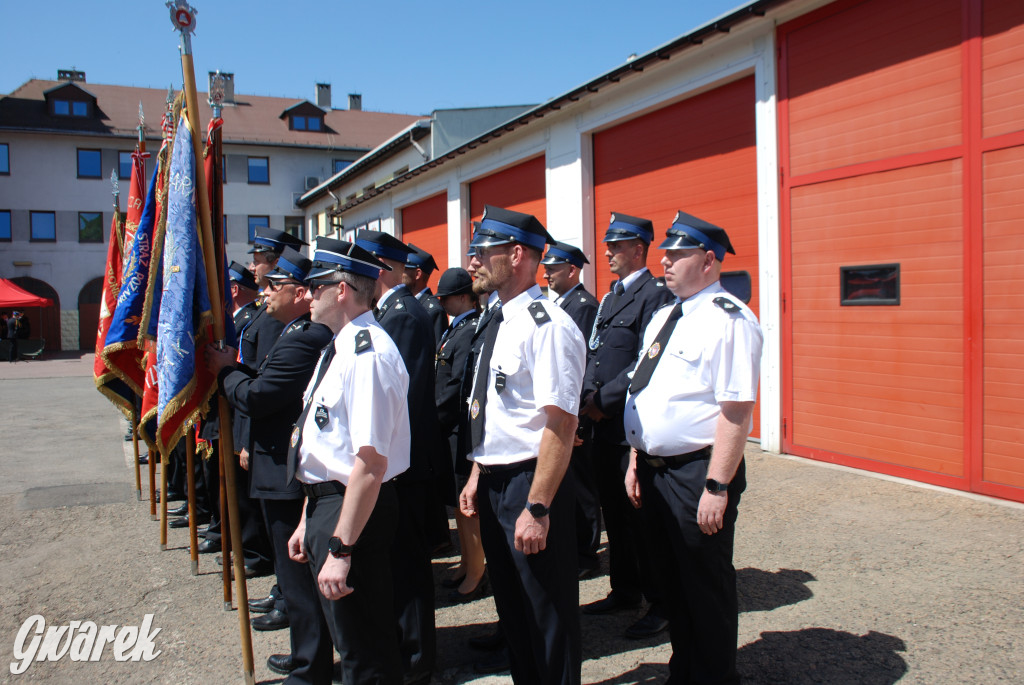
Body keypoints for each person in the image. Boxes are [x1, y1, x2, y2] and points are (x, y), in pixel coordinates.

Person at [624, 211, 762, 685]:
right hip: (655, 469)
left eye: (678, 254)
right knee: (673, 584)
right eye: (665, 253)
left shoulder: (729, 319)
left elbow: (736, 411)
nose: (665, 261)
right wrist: (636, 458)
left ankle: (715, 678)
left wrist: (717, 486)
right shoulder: (665, 316)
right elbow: (645, 391)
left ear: (708, 260)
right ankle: (685, 673)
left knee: (705, 586)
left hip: (696, 473)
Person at [459, 205, 586, 685]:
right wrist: (478, 472)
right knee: (514, 612)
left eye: (482, 250)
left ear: (515, 255)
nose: (473, 260)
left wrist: (538, 505)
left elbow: (561, 423)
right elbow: (497, 410)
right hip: (496, 482)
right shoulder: (500, 319)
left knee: (546, 614)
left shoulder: (546, 325)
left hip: (530, 484)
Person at [286, 237, 410, 684]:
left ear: (341, 290)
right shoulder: (339, 347)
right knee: (351, 640)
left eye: (316, 286)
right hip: (331, 505)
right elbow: (326, 445)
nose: (307, 294)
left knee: (364, 650)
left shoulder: (367, 355)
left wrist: (341, 549)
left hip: (353, 510)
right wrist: (308, 517)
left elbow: (371, 464)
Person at [207, 248, 334, 683]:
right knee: (293, 576)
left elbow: (259, 396)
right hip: (278, 467)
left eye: (274, 286)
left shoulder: (305, 337)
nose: (265, 294)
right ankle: (307, 657)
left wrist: (226, 372)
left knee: (298, 580)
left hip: (285, 472)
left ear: (300, 293)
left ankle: (310, 668)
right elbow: (262, 381)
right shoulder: (293, 331)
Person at [356, 229, 445, 684]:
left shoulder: (404, 315)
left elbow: (402, 398)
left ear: (380, 268)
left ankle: (416, 659)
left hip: (404, 463)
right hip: (395, 462)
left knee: (408, 564)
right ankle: (402, 647)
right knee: (394, 560)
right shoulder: (388, 312)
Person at [579, 212, 673, 639]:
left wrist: (603, 401)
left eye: (615, 246)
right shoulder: (610, 298)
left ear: (638, 249)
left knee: (642, 520)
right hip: (601, 427)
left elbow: (645, 360)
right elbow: (594, 354)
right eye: (608, 246)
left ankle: (660, 601)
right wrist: (587, 397)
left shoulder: (655, 295)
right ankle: (625, 589)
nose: (607, 254)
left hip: (627, 428)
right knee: (615, 516)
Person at [541, 241, 601, 577]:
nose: (546, 275)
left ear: (572, 270)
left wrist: (576, 418)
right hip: (565, 409)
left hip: (575, 411)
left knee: (581, 486)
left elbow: (581, 366)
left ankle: (586, 554)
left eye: (553, 269)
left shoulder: (583, 306)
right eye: (546, 269)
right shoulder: (562, 304)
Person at [433, 267, 485, 602]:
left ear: (464, 297)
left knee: (468, 507)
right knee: (457, 504)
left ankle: (477, 571)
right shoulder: (456, 328)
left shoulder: (468, 331)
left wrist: (433, 417)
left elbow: (456, 386)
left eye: (446, 298)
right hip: (449, 430)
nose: (442, 303)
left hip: (457, 428)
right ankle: (467, 562)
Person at [404, 243, 448, 345]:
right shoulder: (406, 302)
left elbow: (436, 349)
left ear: (417, 274)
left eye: (404, 270)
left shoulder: (434, 310)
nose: (400, 274)